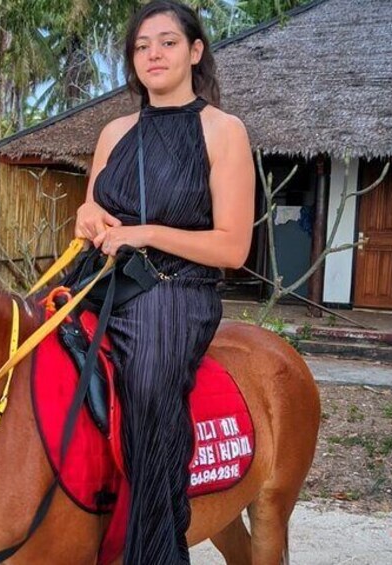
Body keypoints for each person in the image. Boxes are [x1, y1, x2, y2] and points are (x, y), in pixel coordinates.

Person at [73, 1, 255, 563]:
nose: (153, 53)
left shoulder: (223, 131)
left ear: (195, 52)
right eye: (142, 45)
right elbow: (92, 217)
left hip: (178, 289)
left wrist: (146, 232)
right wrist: (87, 219)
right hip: (103, 282)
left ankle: (155, 550)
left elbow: (232, 247)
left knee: (149, 382)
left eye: (168, 42)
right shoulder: (114, 132)